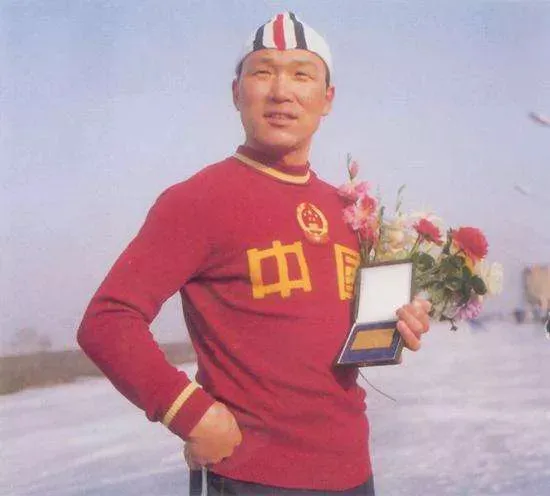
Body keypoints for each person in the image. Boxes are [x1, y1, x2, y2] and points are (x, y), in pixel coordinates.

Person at [77, 12, 431, 496]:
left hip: (352, 472)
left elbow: (325, 335)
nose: (281, 91)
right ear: (236, 92)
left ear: (327, 99)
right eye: (263, 72)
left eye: (302, 75)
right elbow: (108, 320)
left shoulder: (346, 210)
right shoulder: (198, 200)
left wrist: (396, 324)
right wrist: (188, 412)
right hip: (250, 476)